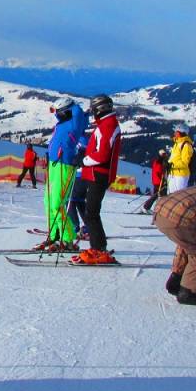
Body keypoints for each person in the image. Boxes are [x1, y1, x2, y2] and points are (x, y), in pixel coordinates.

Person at [71, 94, 121, 264]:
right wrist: (84, 156)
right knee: (91, 212)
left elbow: (103, 154)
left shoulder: (108, 125)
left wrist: (83, 160)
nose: (93, 113)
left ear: (100, 109)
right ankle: (99, 246)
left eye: (94, 110)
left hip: (98, 173)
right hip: (96, 172)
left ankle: (98, 249)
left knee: (91, 212)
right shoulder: (107, 124)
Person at [38, 97, 88, 252]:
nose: (57, 115)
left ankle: (67, 239)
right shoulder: (62, 124)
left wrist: (71, 105)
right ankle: (54, 235)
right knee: (48, 202)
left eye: (59, 112)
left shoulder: (75, 122)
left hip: (65, 165)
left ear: (66, 111)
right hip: (53, 164)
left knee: (57, 203)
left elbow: (79, 112)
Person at [167, 124, 193, 194]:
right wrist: (167, 163)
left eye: (176, 132)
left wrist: (172, 165)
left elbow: (185, 162)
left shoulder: (186, 145)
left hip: (181, 175)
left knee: (179, 196)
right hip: (173, 173)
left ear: (180, 133)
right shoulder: (176, 143)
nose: (174, 133)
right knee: (170, 196)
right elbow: (173, 158)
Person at [142, 149, 168, 214]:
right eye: (163, 154)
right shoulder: (159, 161)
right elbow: (158, 171)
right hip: (159, 181)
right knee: (161, 196)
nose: (165, 155)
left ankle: (147, 207)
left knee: (157, 195)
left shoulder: (160, 161)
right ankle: (147, 207)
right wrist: (164, 169)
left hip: (158, 181)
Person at [67, 169, 89, 241]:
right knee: (79, 201)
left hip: (78, 175)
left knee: (70, 200)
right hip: (84, 176)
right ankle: (89, 226)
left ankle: (74, 226)